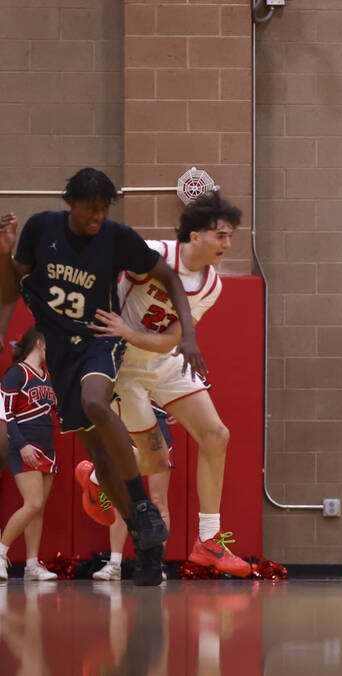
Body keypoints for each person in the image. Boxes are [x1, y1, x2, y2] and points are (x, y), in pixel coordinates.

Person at [0, 168, 206, 587]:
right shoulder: (42, 228)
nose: (97, 216)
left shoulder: (116, 237)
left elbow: (168, 277)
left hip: (98, 339)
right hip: (58, 350)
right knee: (100, 456)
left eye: (103, 209)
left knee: (96, 400)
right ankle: (145, 546)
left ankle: (144, 510)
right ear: (70, 203)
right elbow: (9, 289)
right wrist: (4, 254)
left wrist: (189, 334)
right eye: (90, 208)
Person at [86, 191, 250, 577]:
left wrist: (131, 331)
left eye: (229, 236)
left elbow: (171, 338)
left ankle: (208, 540)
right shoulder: (150, 252)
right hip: (122, 368)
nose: (227, 244)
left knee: (217, 435)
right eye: (221, 235)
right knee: (155, 461)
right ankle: (95, 475)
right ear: (195, 236)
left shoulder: (212, 287)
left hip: (160, 359)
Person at [0, 328, 58, 581]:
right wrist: (22, 445)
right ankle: (1, 552)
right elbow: (5, 414)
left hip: (47, 447)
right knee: (32, 503)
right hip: (24, 446)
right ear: (39, 342)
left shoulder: (47, 376)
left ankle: (32, 565)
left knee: (39, 509)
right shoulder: (17, 373)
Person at [92, 404, 174, 582]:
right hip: (126, 425)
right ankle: (114, 563)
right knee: (121, 499)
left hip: (156, 427)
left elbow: (192, 384)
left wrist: (181, 410)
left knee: (159, 501)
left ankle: (156, 563)